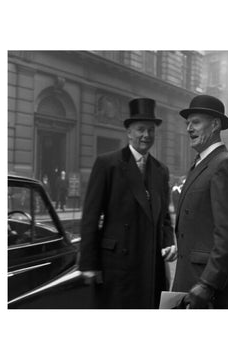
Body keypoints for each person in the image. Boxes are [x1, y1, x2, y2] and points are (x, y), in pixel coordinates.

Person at [79, 98, 177, 309]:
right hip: (117, 264)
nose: (146, 135)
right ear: (129, 132)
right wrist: (89, 263)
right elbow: (90, 216)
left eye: (151, 130)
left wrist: (168, 241)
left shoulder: (161, 170)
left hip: (151, 262)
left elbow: (165, 217)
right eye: (141, 129)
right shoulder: (108, 164)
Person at [172, 94, 228, 309]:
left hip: (209, 287)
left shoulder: (223, 165)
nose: (189, 129)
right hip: (192, 278)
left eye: (195, 122)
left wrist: (208, 283)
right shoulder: (202, 162)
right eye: (188, 123)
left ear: (215, 125)